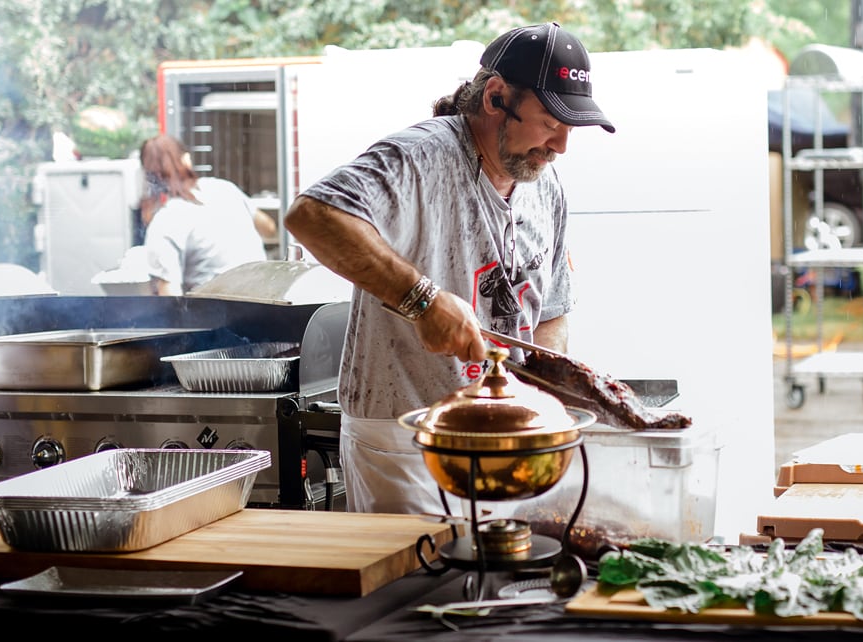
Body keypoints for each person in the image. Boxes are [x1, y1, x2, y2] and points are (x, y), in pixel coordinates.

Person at [283, 23, 615, 515]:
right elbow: (312, 216)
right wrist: (423, 300)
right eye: (550, 121)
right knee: (417, 587)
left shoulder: (546, 187)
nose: (562, 144)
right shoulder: (421, 157)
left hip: (504, 441)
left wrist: (541, 398)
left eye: (571, 127)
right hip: (406, 441)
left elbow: (551, 311)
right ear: (497, 97)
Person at [138, 134, 270, 295]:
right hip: (266, 300)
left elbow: (169, 296)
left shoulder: (165, 221)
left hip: (218, 314)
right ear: (186, 159)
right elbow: (269, 228)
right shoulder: (224, 189)